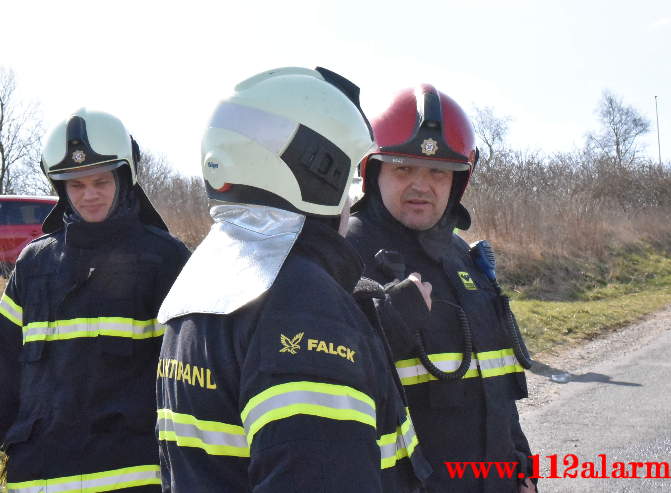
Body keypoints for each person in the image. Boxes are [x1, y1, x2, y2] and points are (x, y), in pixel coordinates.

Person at [155, 67, 431, 492]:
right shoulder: (301, 303)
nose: (351, 200)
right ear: (317, 172)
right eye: (348, 181)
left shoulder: (203, 279)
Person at [346, 84, 537, 492]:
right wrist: (389, 317)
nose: (422, 185)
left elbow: (497, 386)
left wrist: (522, 470)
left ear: (458, 180)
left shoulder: (462, 257)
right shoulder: (341, 258)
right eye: (403, 168)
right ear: (373, 170)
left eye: (438, 171)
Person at [0, 109, 190, 492]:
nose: (89, 195)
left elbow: (187, 379)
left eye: (100, 181)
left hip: (132, 478)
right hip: (38, 479)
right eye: (76, 185)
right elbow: (4, 369)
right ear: (61, 189)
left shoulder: (165, 260)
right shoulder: (33, 264)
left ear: (125, 178)